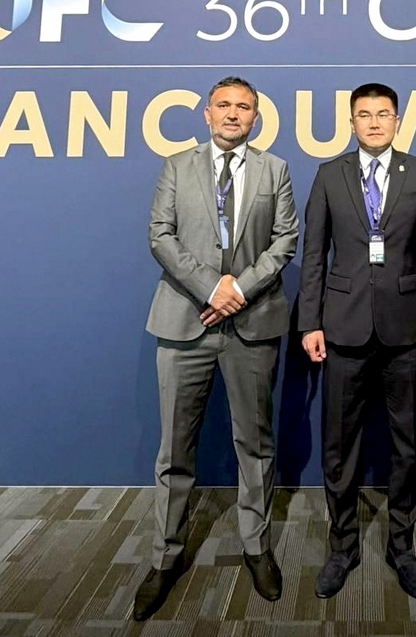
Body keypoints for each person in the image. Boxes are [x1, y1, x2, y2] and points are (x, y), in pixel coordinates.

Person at [135, 76, 299, 619]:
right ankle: (165, 557)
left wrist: (238, 291)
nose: (233, 114)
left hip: (252, 322)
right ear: (206, 114)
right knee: (174, 450)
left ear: (255, 117)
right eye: (224, 105)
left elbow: (285, 241)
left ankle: (257, 547)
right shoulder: (177, 166)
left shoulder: (275, 169)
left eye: (243, 107)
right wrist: (211, 288)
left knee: (255, 443)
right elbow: (160, 236)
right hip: (186, 320)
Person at [298, 82, 416, 599]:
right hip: (342, 329)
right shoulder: (329, 175)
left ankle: (401, 546)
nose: (374, 123)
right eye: (364, 115)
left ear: (397, 121)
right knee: (339, 447)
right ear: (351, 122)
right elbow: (314, 256)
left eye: (383, 114)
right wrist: (310, 323)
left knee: (408, 445)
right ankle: (342, 546)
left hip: (406, 331)